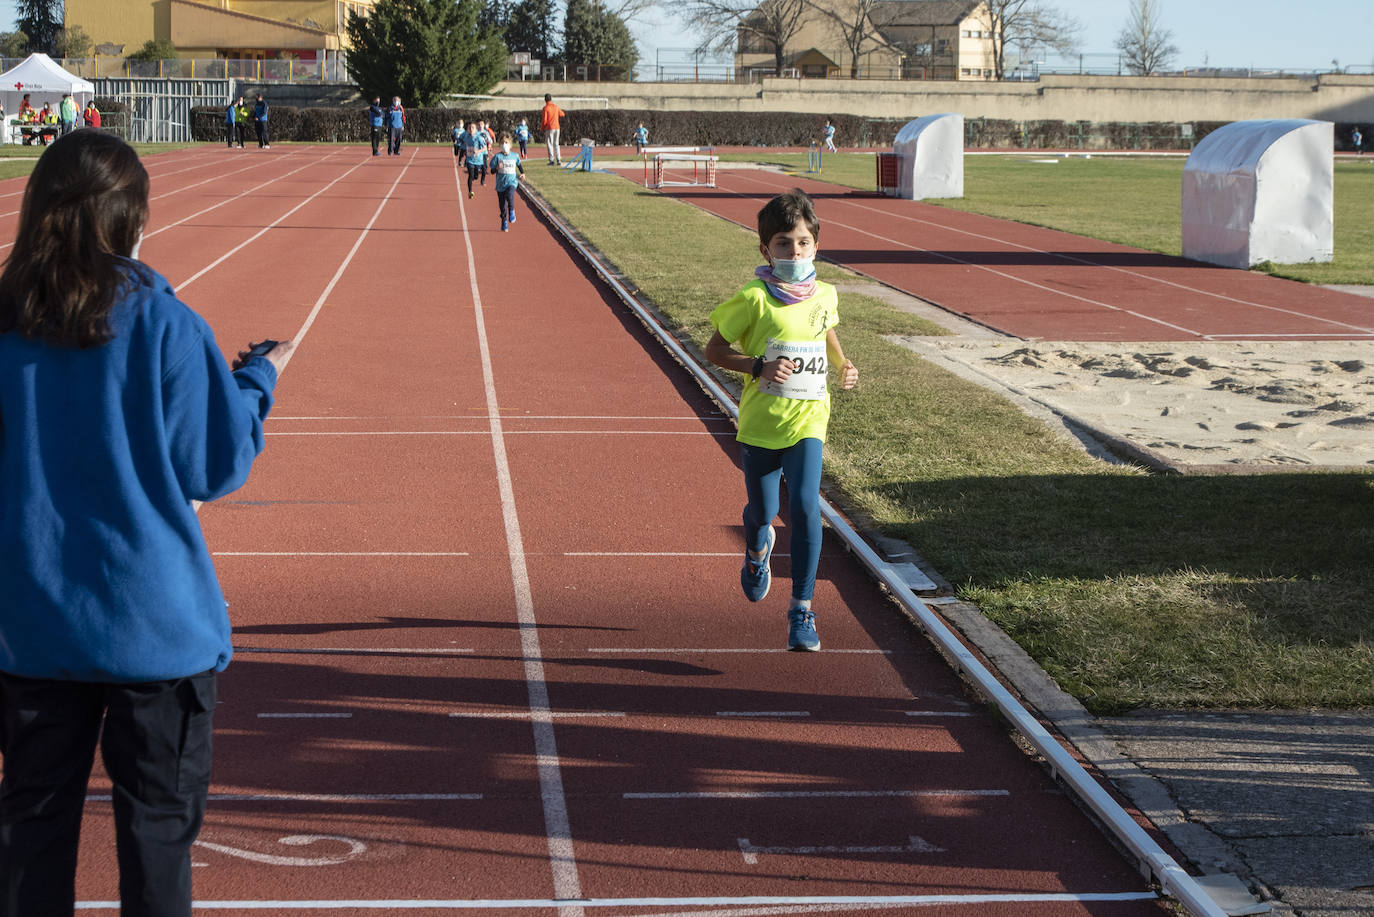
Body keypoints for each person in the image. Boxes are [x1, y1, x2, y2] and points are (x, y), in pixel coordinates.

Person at [0, 130, 292, 917]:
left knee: (30, 834)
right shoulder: (164, 324)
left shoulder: (5, 323)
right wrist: (255, 383)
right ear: (127, 221)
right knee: (158, 834)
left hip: (32, 629)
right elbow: (215, 465)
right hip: (152, 628)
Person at [703, 189, 858, 653]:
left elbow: (825, 329)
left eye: (804, 242)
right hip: (760, 423)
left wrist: (844, 362)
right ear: (765, 249)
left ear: (817, 244)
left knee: (808, 507)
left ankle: (802, 610)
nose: (795, 252)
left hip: (809, 417)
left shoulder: (825, 293)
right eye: (784, 244)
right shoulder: (753, 298)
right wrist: (757, 367)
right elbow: (712, 350)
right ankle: (757, 549)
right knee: (761, 513)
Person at [489, 132, 524, 232]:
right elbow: (491, 171)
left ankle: (512, 211)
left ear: (510, 145)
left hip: (512, 182)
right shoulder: (497, 157)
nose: (504, 145)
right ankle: (504, 221)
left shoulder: (515, 156)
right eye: (502, 143)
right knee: (502, 206)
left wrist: (522, 173)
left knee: (510, 195)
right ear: (500, 145)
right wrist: (497, 168)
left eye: (506, 142)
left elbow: (519, 165)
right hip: (500, 185)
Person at [460, 120, 488, 198]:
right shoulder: (466, 137)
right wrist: (465, 151)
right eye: (469, 128)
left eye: (473, 128)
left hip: (478, 161)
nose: (471, 129)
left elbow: (484, 147)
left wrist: (478, 151)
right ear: (467, 130)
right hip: (469, 160)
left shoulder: (479, 138)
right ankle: (470, 191)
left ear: (476, 130)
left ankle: (475, 177)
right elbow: (464, 144)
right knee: (470, 175)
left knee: (475, 176)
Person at [541, 92, 564, 165]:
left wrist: (542, 128)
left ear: (545, 100)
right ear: (551, 99)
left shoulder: (545, 108)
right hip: (557, 127)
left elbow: (544, 120)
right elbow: (562, 114)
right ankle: (558, 159)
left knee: (549, 143)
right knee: (556, 144)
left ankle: (551, 160)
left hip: (550, 127)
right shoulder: (556, 107)